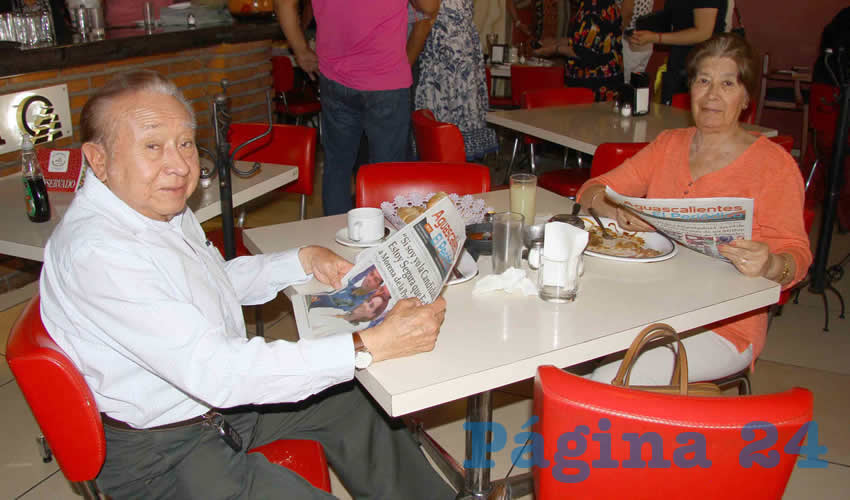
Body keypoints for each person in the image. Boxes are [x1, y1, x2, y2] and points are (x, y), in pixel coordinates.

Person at [39, 70, 454, 499]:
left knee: (356, 402)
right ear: (99, 159)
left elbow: (209, 283)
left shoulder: (149, 204)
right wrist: (369, 345)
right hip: (163, 455)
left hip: (214, 410)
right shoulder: (100, 254)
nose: (181, 165)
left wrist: (301, 260)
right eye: (153, 145)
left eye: (185, 143)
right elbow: (219, 370)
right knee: (350, 368)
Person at [576, 34, 812, 385]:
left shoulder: (773, 166)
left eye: (727, 83)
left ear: (746, 97)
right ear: (692, 89)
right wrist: (618, 210)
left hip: (725, 327)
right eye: (704, 81)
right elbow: (591, 191)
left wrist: (772, 263)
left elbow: (798, 255)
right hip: (648, 302)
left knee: (603, 381)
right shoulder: (669, 145)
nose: (712, 95)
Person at [275, 0, 440, 216]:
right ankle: (382, 240)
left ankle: (337, 240)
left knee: (337, 168)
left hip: (335, 79)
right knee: (386, 173)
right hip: (385, 79)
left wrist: (301, 50)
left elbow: (283, 4)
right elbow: (428, 7)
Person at [414, 0, 498, 160]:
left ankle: (449, 161)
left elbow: (427, 9)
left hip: (448, 50)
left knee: (443, 114)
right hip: (458, 48)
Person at [629, 0, 727, 104]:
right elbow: (676, 17)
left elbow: (703, 32)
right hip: (679, 64)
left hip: (701, 65)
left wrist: (656, 37)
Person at [533, 0, 624, 102]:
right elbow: (581, 40)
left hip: (596, 87)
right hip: (591, 85)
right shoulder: (590, 5)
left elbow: (584, 53)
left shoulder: (595, 8)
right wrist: (555, 41)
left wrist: (554, 49)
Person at [619, 0, 654, 84]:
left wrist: (615, 38)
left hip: (630, 39)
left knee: (626, 86)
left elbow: (627, 13)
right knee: (635, 86)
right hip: (643, 38)